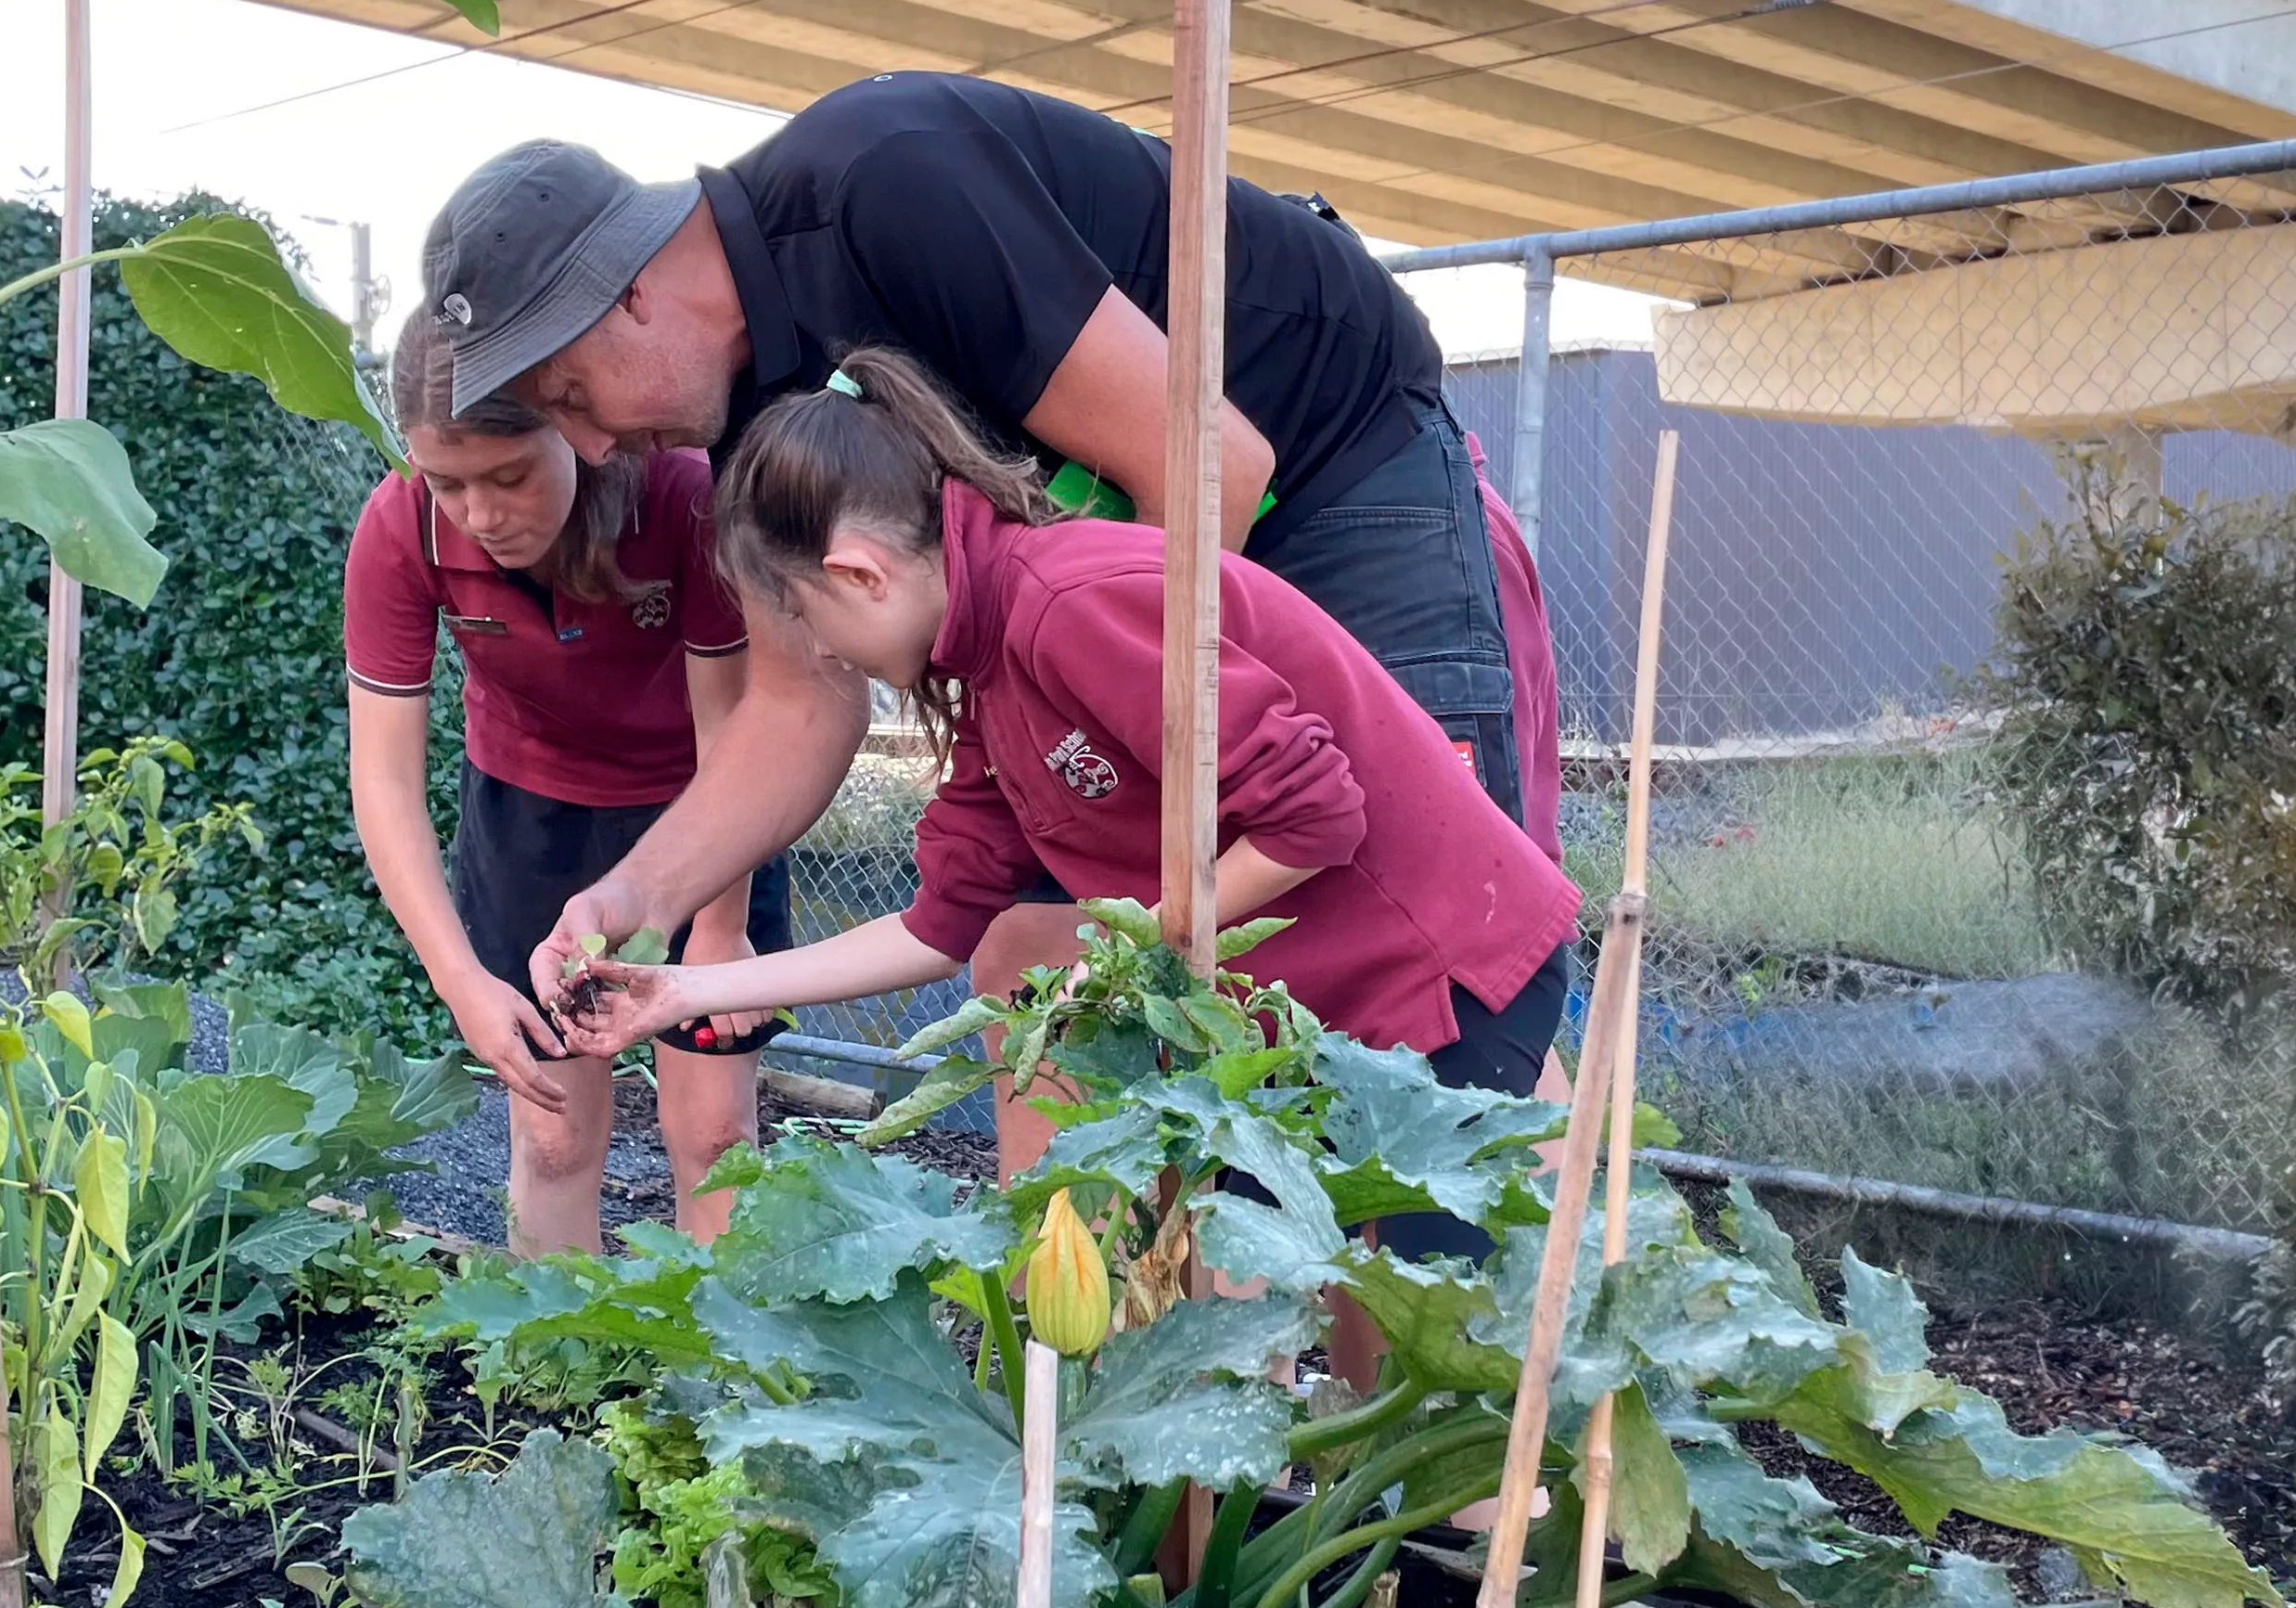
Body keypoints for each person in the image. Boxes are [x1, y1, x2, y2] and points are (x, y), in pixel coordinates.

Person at [407, 72, 1566, 1162]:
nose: (597, 447)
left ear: (633, 296)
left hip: (1332, 467)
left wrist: (1096, 754)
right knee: (1046, 964)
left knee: (1442, 980)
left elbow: (1211, 463)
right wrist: (634, 901)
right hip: (1133, 589)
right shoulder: (748, 414)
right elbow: (798, 702)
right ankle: (1160, 1359)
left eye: (571, 396)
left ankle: (1595, 1316)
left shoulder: (883, 182)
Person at [552, 348, 1581, 1296]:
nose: (826, 660)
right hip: (1329, 1008)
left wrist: (1144, 946)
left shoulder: (1071, 603)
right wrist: (683, 988)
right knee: (1291, 1296)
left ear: (861, 572)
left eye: (809, 624)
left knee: (1442, 1353)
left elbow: (1314, 814)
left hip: (1441, 973)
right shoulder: (990, 663)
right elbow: (939, 926)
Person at [341, 321, 791, 1255]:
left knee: (714, 1137)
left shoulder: (682, 494)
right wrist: (460, 979)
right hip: (529, 822)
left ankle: (722, 1388)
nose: (480, 512)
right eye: (448, 482)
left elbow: (733, 739)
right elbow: (384, 779)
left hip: (699, 825)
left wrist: (716, 935)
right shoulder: (399, 527)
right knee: (551, 1137)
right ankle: (560, 1378)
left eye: (509, 476)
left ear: (577, 432)